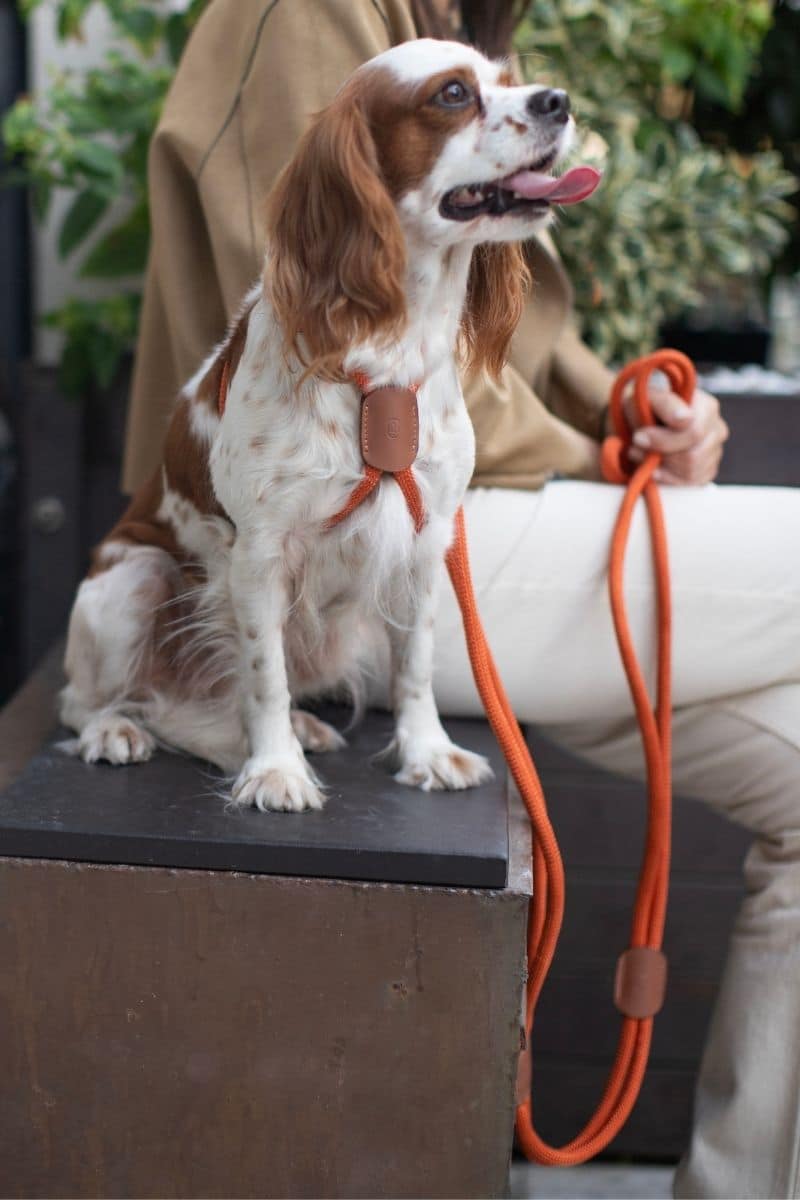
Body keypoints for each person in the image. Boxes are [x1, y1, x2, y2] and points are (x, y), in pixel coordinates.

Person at [122, 3, 800, 1196]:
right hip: (342, 547)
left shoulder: (452, 28)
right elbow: (339, 342)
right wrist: (596, 455)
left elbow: (490, 310)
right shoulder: (310, 15)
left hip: (460, 504)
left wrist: (626, 409)